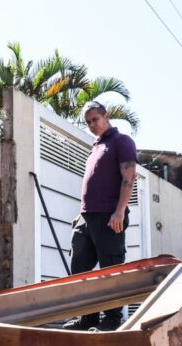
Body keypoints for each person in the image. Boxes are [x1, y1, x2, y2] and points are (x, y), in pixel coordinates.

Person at [63, 101, 137, 331]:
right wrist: (81, 215)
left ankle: (112, 319)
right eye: (88, 122)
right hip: (87, 217)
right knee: (79, 268)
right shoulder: (96, 146)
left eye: (95, 119)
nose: (92, 125)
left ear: (106, 116)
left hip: (109, 215)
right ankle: (88, 317)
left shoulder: (121, 141)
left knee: (110, 269)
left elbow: (129, 178)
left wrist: (119, 211)